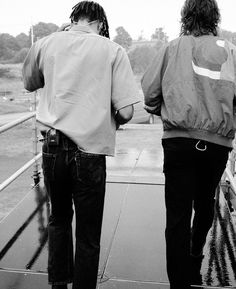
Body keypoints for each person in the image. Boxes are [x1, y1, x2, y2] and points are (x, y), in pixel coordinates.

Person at [22, 2, 140, 289]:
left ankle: (58, 284)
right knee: (88, 233)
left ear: (73, 19)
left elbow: (29, 82)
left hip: (52, 148)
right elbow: (126, 112)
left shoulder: (47, 43)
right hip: (90, 154)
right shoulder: (113, 51)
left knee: (59, 219)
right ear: (100, 23)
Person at [141, 0, 236, 288]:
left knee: (177, 213)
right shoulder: (230, 50)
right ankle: (196, 252)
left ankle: (178, 282)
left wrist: (164, 111)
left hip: (178, 142)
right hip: (217, 144)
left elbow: (149, 91)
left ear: (186, 16)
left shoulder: (172, 47)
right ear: (214, 17)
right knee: (205, 201)